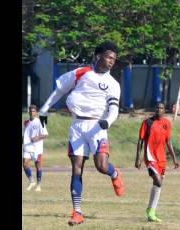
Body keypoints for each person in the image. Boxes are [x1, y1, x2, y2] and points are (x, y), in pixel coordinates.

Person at [38, 41, 124, 226]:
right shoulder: (81, 73)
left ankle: (114, 173)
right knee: (76, 168)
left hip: (97, 127)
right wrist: (43, 112)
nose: (111, 62)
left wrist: (107, 122)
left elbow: (114, 110)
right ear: (98, 56)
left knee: (101, 166)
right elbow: (58, 92)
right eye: (109, 57)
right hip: (77, 126)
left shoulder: (112, 83)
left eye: (114, 59)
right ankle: (77, 212)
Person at [135, 103, 180, 222]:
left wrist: (174, 157)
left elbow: (168, 141)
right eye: (157, 107)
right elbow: (140, 140)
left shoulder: (167, 123)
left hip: (162, 159)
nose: (158, 109)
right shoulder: (147, 122)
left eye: (161, 108)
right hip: (150, 157)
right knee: (158, 181)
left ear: (164, 110)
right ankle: (150, 211)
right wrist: (138, 158)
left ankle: (151, 211)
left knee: (157, 185)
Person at [22, 104, 48, 192]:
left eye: (33, 111)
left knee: (38, 166)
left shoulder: (41, 121)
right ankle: (31, 181)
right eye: (30, 111)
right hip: (27, 147)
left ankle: (39, 185)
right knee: (25, 164)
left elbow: (45, 134)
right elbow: (24, 135)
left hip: (37, 148)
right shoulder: (25, 122)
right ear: (28, 111)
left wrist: (37, 138)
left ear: (36, 112)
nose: (31, 112)